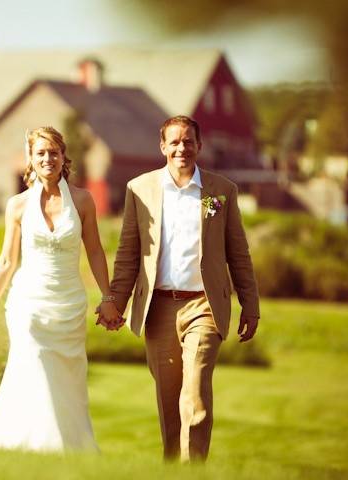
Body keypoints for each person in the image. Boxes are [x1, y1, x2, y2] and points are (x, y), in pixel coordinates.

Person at [97, 115, 260, 462]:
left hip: (203, 306)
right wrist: (115, 300)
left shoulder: (220, 191)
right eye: (174, 142)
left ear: (199, 146)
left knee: (195, 392)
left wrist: (250, 303)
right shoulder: (139, 189)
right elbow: (128, 253)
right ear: (162, 147)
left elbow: (238, 251)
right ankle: (172, 468)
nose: (181, 148)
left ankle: (193, 468)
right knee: (169, 401)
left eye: (188, 141)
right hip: (158, 309)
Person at [0, 126, 121, 452]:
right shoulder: (18, 205)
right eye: (41, 153)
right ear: (31, 158)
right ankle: (23, 445)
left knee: (66, 382)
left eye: (53, 152)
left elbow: (94, 251)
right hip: (28, 302)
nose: (47, 158)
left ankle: (65, 451)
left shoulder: (82, 200)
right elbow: (7, 262)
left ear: (64, 156)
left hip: (68, 304)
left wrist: (108, 298)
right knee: (32, 362)